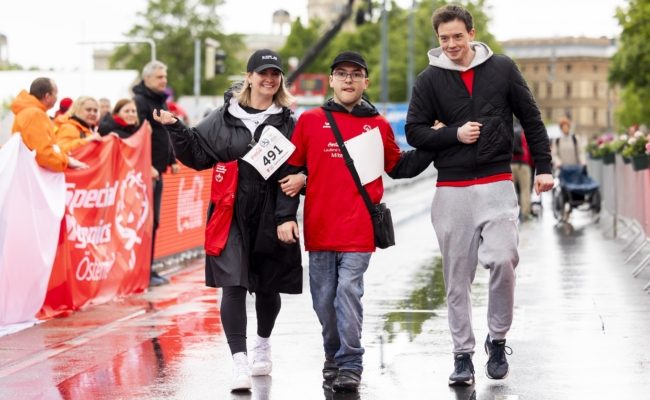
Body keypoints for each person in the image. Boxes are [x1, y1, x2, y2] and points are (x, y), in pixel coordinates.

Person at [405, 4, 553, 386]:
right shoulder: (428, 80)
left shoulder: (501, 69)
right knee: (457, 277)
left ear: (471, 33)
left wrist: (545, 168)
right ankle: (462, 356)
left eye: (457, 36)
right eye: (444, 39)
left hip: (496, 181)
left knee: (504, 260)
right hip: (451, 188)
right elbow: (414, 132)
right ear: (437, 40)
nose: (451, 44)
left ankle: (498, 340)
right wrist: (453, 134)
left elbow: (531, 118)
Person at [279, 51, 434, 393]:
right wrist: (286, 215)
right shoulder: (309, 120)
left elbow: (399, 166)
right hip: (319, 229)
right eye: (341, 74)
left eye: (355, 75)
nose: (348, 80)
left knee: (347, 292)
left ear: (366, 82)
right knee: (323, 300)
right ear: (331, 80)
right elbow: (291, 171)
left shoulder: (376, 124)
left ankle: (350, 362)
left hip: (359, 229)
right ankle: (332, 356)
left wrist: (436, 143)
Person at [152, 49, 303, 392]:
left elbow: (297, 168)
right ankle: (238, 362)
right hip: (230, 210)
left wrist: (288, 209)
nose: (268, 79)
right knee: (232, 284)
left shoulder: (289, 122)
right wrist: (176, 127)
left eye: (275, 74)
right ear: (249, 77)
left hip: (271, 211)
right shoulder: (223, 117)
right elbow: (198, 153)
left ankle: (262, 344)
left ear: (280, 80)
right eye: (262, 73)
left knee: (267, 285)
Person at [133, 60, 180, 287]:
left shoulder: (160, 100)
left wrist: (172, 159)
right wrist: (146, 165)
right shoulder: (140, 102)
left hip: (157, 171)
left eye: (165, 76)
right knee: (145, 223)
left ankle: (148, 269)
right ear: (147, 78)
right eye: (160, 77)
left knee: (155, 222)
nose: (165, 80)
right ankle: (142, 271)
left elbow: (164, 132)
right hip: (144, 174)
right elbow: (138, 137)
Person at [10, 77, 86, 171]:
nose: (57, 98)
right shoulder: (35, 114)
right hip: (33, 174)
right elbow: (43, 154)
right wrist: (66, 161)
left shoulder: (28, 112)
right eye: (56, 94)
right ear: (47, 96)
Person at [511, 123, 534, 221]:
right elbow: (529, 152)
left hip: (510, 165)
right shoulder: (524, 135)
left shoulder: (511, 133)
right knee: (525, 190)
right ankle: (525, 214)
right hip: (523, 165)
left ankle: (510, 214)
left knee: (510, 191)